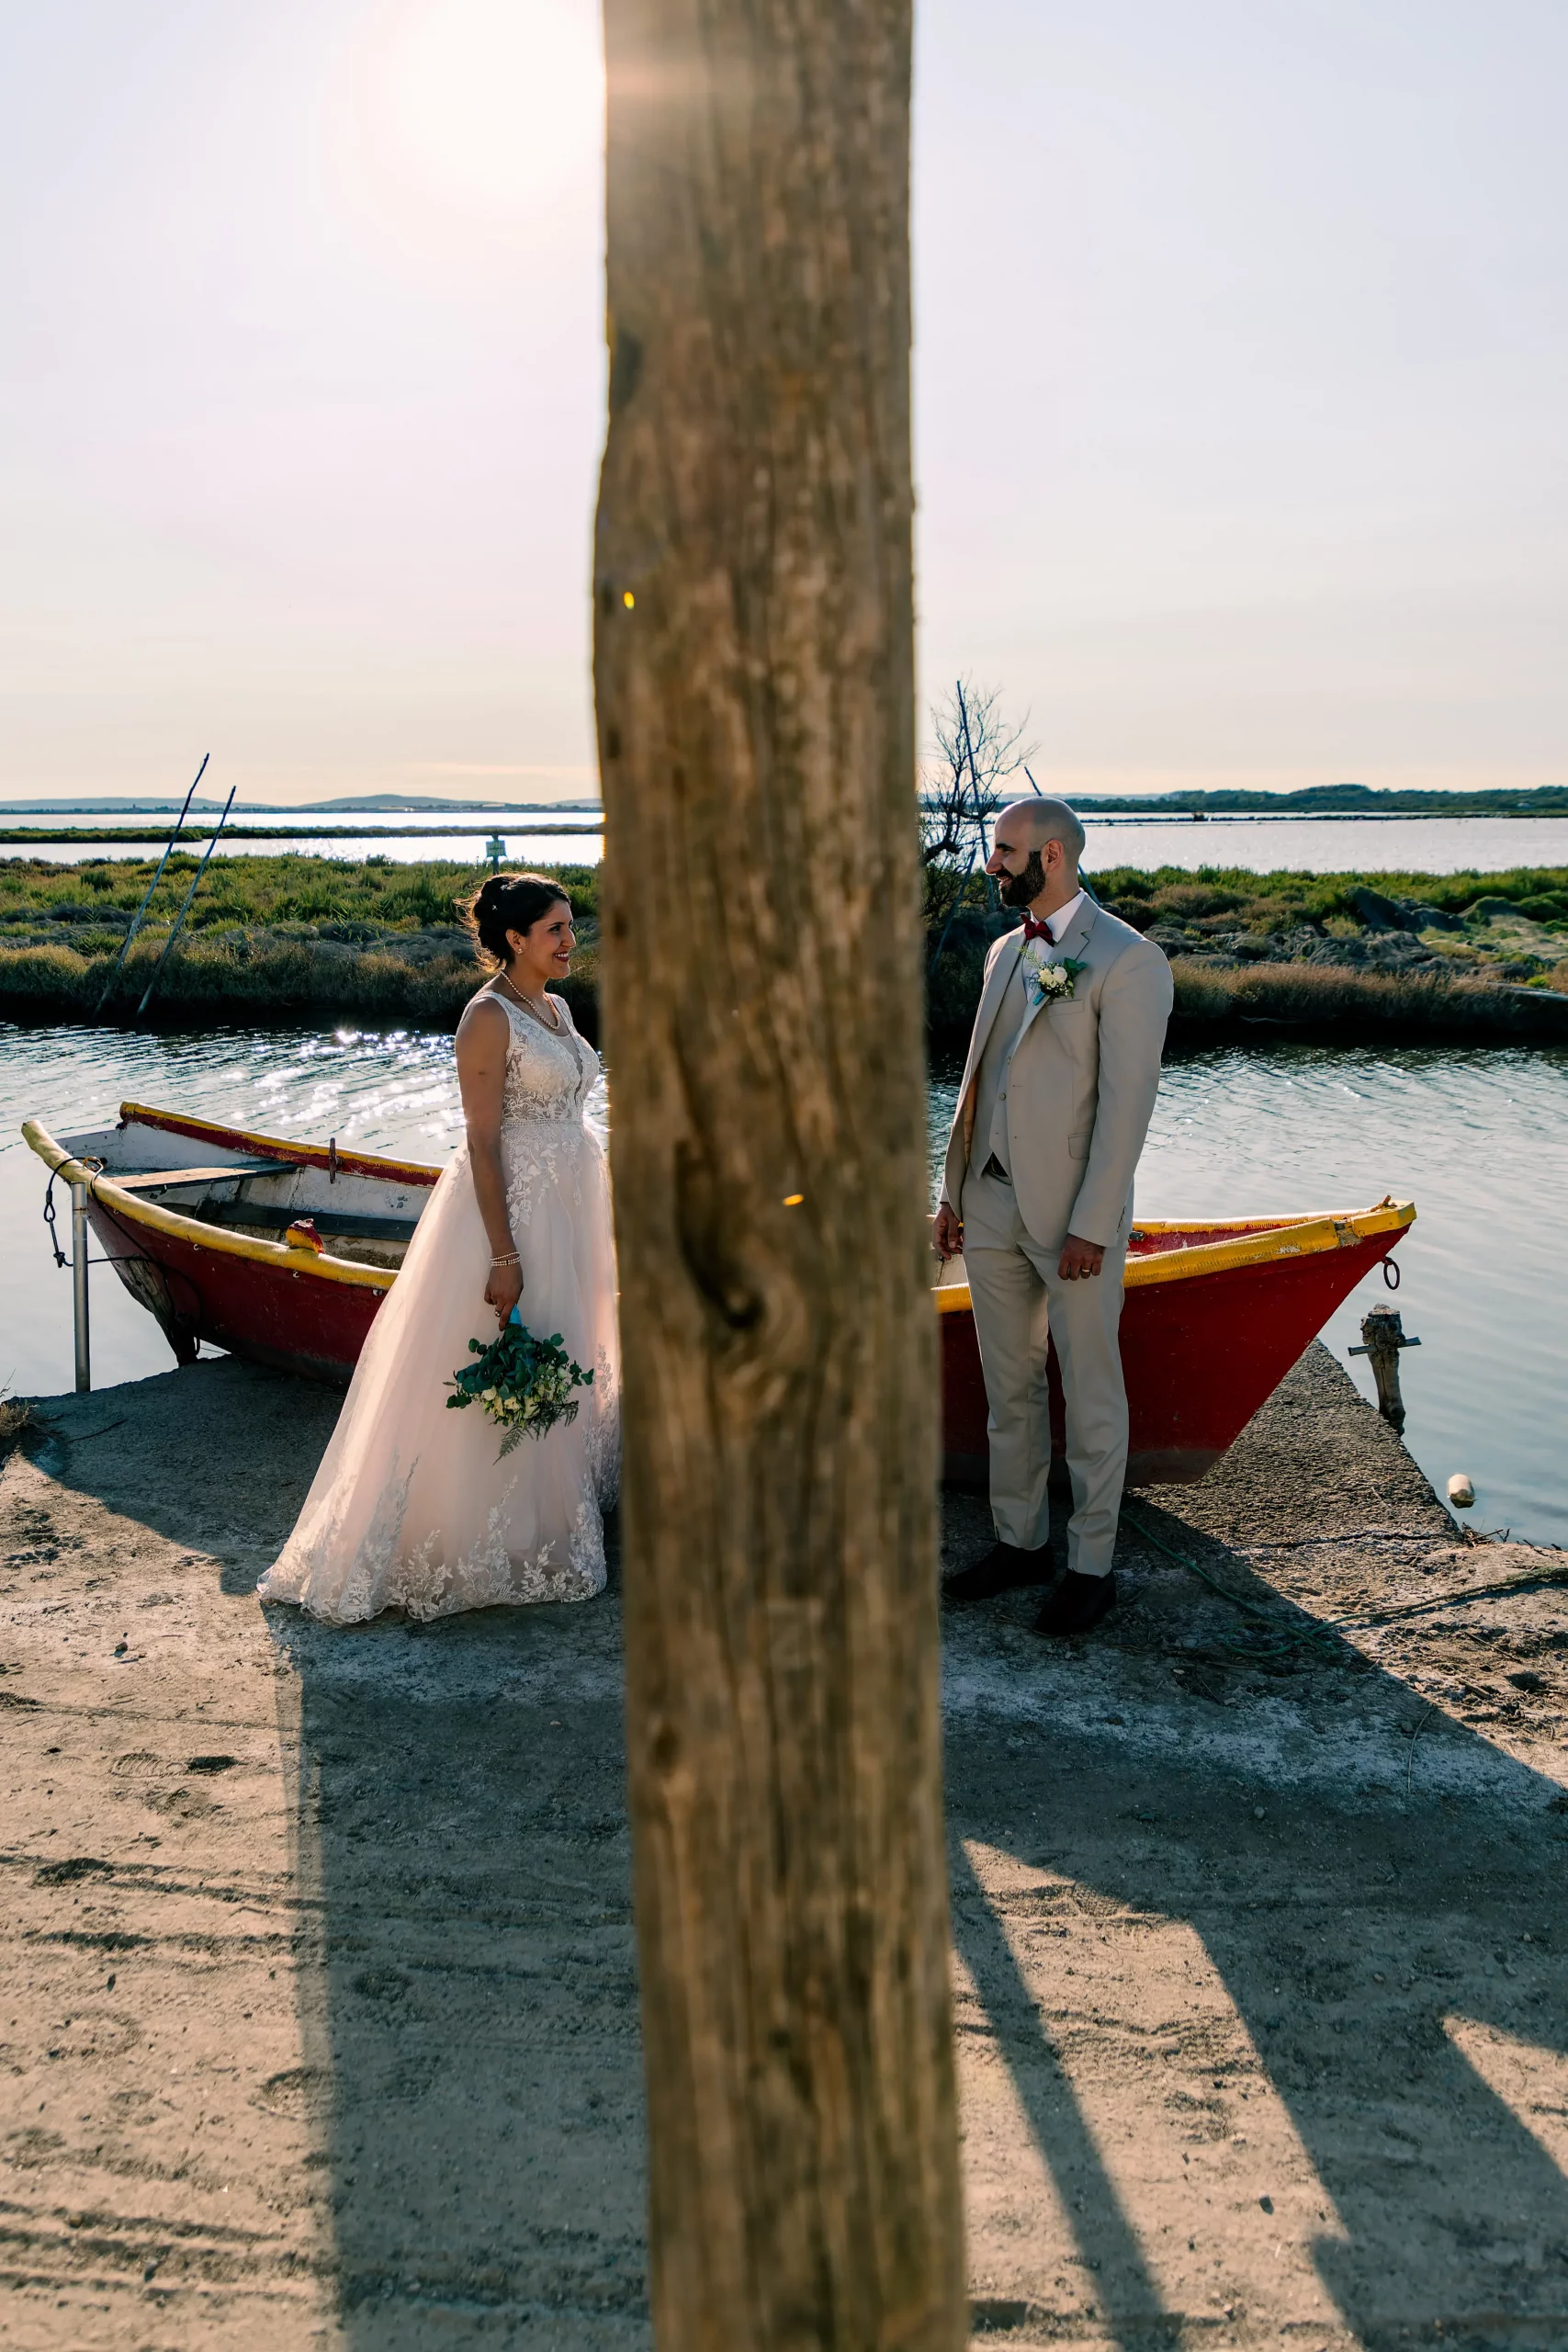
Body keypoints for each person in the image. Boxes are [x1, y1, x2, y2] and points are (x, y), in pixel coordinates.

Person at [258, 873, 619, 1624]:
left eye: (570, 925)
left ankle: (550, 1513)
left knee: (564, 1345)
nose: (568, 940)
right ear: (514, 939)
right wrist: (503, 1254)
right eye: (555, 928)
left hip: (573, 1205)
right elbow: (482, 1144)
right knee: (511, 1350)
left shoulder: (554, 1007)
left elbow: (570, 1109)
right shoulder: (486, 1018)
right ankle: (486, 1533)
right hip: (514, 1208)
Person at [932, 799, 1172, 1635]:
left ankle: (1090, 1566)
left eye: (1004, 851)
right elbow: (976, 1082)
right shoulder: (1005, 949)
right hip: (990, 1201)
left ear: (1055, 856)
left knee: (1091, 1392)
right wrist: (952, 1192)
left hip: (1072, 1216)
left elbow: (1125, 1111)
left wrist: (1093, 1226)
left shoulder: (1128, 961)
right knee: (1010, 1386)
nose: (991, 865)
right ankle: (1019, 1542)